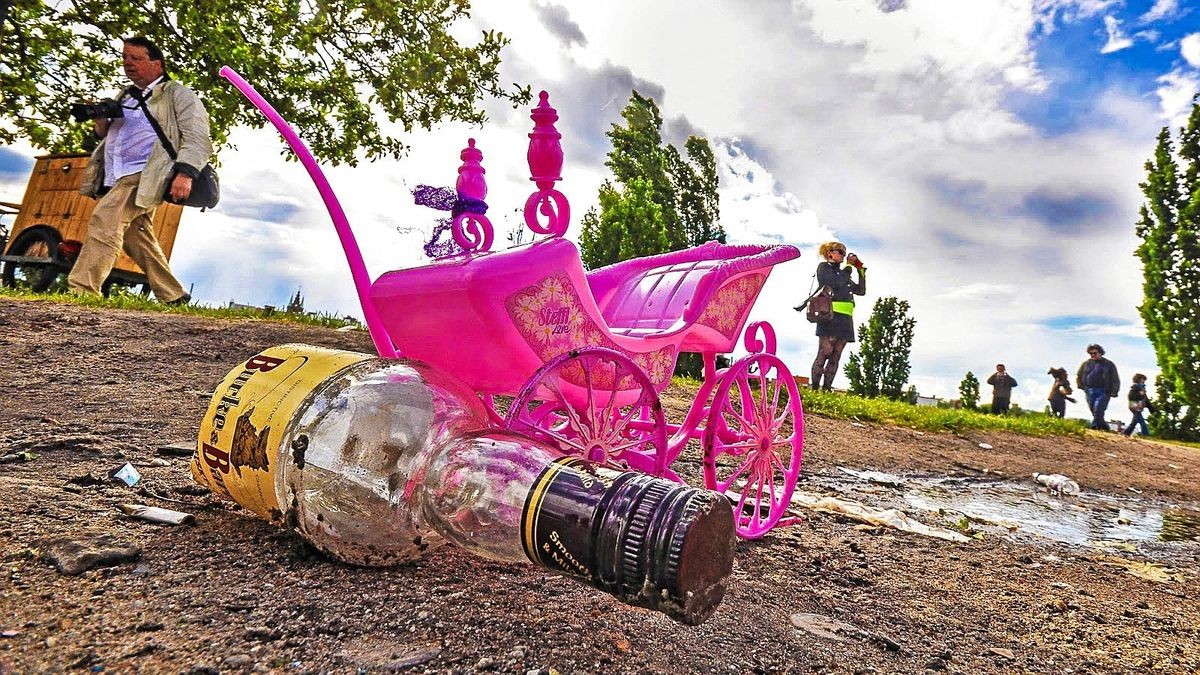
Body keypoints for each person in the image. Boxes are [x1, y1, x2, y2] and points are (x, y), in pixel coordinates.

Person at [69, 36, 212, 304]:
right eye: (125, 58)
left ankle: (82, 290)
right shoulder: (126, 95)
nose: (128, 63)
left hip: (148, 173)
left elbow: (198, 137)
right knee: (137, 236)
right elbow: (107, 134)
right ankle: (174, 295)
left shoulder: (178, 94)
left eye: (136, 58)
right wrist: (100, 119)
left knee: (106, 218)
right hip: (117, 172)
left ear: (157, 64)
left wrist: (185, 174)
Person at [808, 241, 866, 391]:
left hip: (845, 319)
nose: (843, 255)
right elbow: (835, 282)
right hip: (830, 317)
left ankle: (827, 389)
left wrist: (860, 271)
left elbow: (860, 290)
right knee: (825, 352)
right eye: (840, 252)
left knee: (836, 356)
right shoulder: (824, 268)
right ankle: (815, 388)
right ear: (830, 253)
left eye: (844, 253)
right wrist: (849, 267)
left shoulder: (843, 274)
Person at [1075, 343, 1120, 431]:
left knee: (1098, 409)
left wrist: (1114, 391)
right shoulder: (1086, 364)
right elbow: (1079, 375)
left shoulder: (1109, 364)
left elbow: (1115, 378)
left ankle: (1094, 427)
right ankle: (1104, 427)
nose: (1093, 355)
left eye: (1094, 353)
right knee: (1094, 411)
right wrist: (1081, 386)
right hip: (1089, 390)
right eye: (1091, 353)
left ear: (1100, 353)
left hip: (1103, 391)